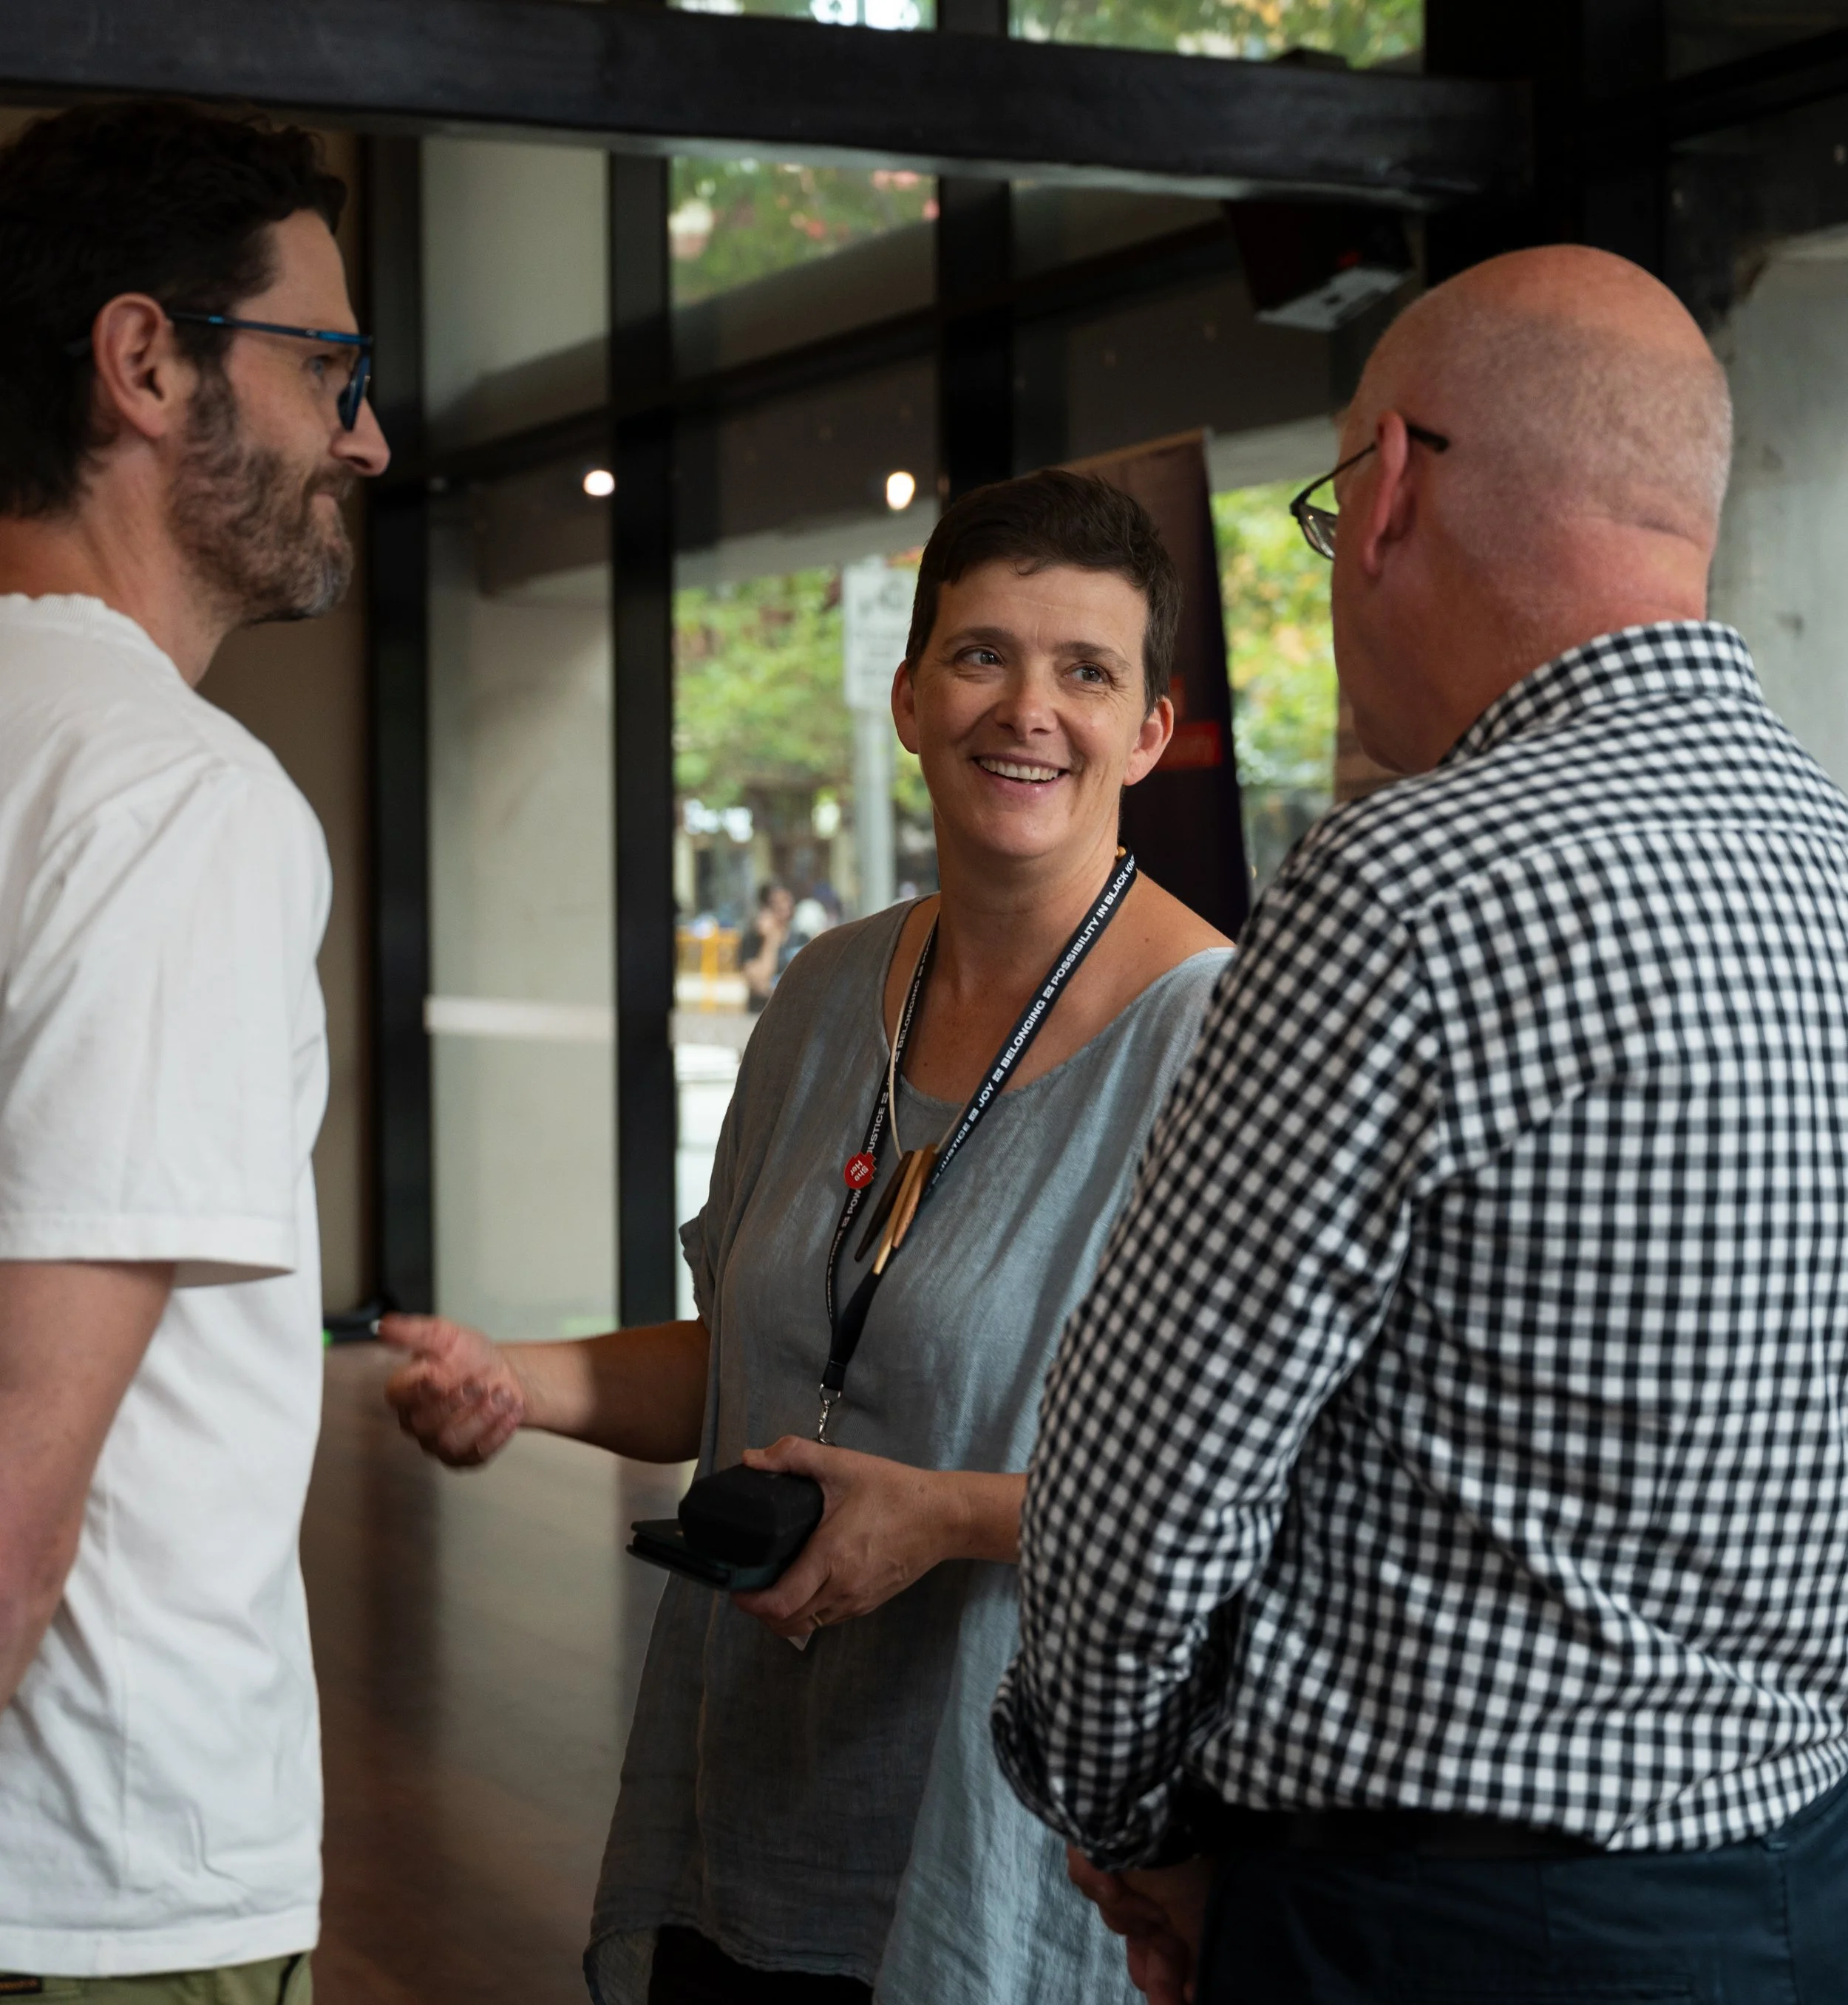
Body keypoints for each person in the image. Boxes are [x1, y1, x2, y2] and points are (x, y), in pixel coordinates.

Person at [993, 245, 1848, 2004]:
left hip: (1436, 1922)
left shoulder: (1407, 886)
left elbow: (1153, 1477)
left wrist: (1127, 1817)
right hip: (1792, 1887)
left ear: (1386, 490)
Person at [382, 469, 1232, 2004]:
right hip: (750, 1801)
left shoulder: (1217, 1041)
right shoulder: (829, 992)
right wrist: (512, 1381)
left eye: (1084, 671)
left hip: (1008, 1847)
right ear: (908, 699)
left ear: (1151, 730)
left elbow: (1255, 1489)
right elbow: (750, 1361)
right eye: (980, 656)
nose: (1025, 709)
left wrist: (949, 1515)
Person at [0, 101, 389, 1999]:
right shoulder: (168, 799)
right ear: (147, 360)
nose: (367, 437)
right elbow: (17, 1458)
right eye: (329, 367)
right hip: (90, 1887)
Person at [740, 881, 799, 1011]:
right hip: (762, 1012)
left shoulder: (801, 938)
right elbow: (759, 983)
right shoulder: (752, 940)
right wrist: (770, 940)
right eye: (775, 903)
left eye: (785, 900)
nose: (782, 906)